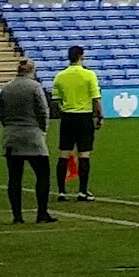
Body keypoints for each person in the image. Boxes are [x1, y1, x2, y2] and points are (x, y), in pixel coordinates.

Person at [0, 58, 56, 224]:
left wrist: (9, 127)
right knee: (43, 175)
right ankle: (42, 213)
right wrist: (43, 130)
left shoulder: (6, 88)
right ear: (32, 71)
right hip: (32, 136)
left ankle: (17, 216)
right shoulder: (35, 87)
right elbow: (43, 111)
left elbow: (0, 113)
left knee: (14, 178)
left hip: (11, 137)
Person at [51, 45, 104, 201]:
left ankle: (61, 191)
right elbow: (96, 98)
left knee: (64, 154)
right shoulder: (89, 75)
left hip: (68, 117)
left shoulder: (60, 76)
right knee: (84, 154)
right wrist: (100, 116)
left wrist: (64, 110)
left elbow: (56, 100)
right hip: (84, 117)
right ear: (81, 56)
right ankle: (82, 191)